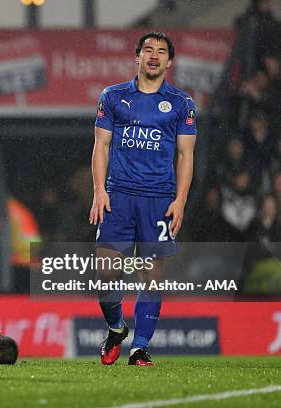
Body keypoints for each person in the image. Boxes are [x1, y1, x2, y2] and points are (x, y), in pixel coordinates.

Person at [89, 32, 197, 366]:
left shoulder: (181, 103)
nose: (154, 56)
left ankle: (140, 348)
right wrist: (99, 191)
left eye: (161, 52)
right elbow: (101, 146)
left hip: (159, 199)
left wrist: (180, 201)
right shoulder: (113, 95)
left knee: (150, 276)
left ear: (169, 61)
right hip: (118, 196)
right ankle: (116, 327)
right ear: (137, 57)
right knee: (106, 272)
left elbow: (186, 155)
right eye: (147, 50)